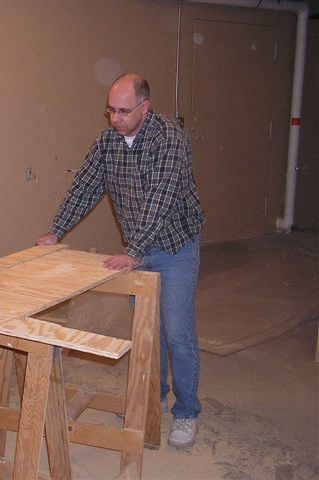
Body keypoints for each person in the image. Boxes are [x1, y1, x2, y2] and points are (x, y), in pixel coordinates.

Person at [36, 73, 204, 449]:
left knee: (176, 331)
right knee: (146, 332)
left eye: (124, 111)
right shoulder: (108, 143)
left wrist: (134, 251)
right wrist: (56, 231)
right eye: (110, 110)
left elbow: (159, 202)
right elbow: (85, 186)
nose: (115, 118)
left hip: (175, 248)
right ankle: (152, 399)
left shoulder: (169, 140)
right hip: (137, 250)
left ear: (145, 107)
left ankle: (187, 411)